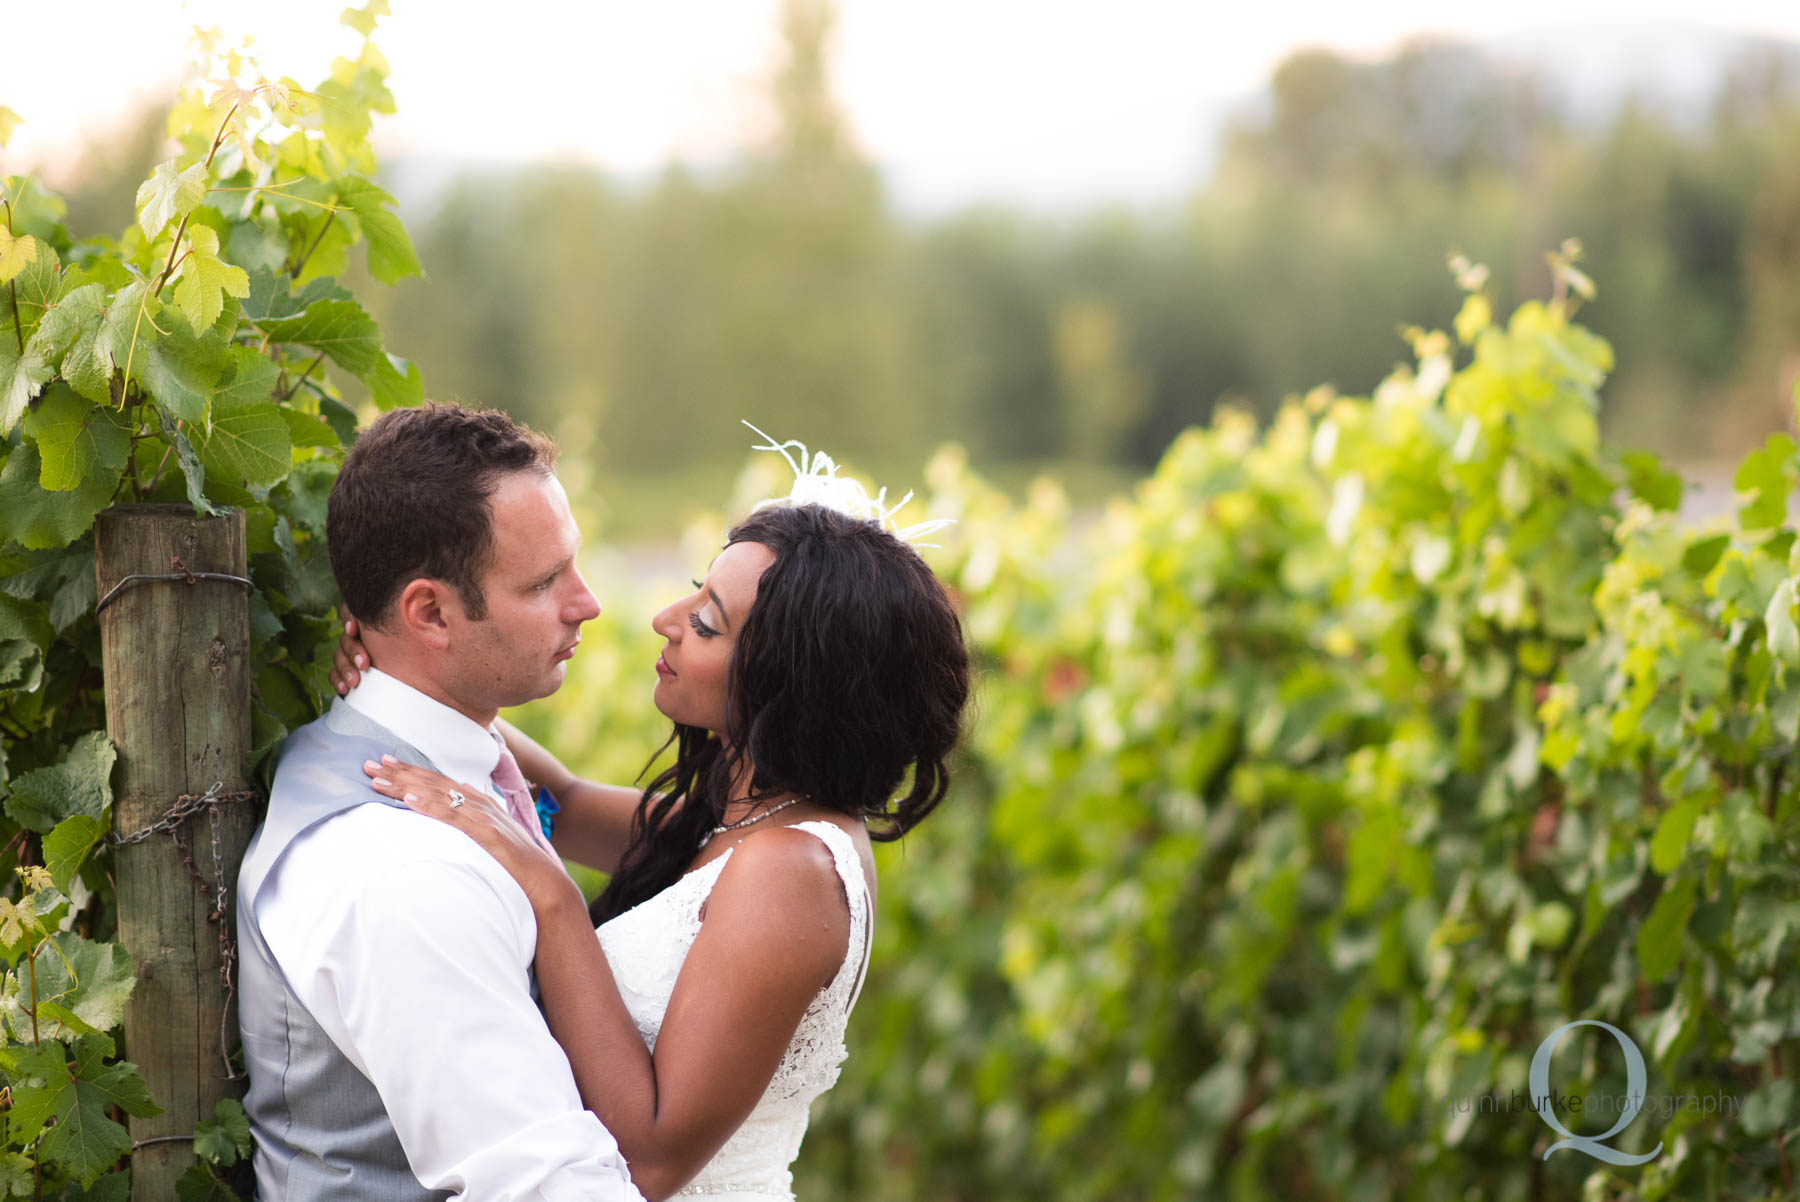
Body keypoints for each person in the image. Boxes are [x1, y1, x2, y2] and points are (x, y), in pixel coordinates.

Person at [330, 472, 972, 1201]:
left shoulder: (791, 870)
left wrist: (551, 897)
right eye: (697, 592)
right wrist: (403, 672)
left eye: (706, 623)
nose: (668, 618)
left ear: (786, 684)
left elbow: (655, 1161)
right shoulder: (739, 820)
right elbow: (562, 801)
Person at [235, 402, 641, 1201]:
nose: (586, 603)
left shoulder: (454, 766)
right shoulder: (400, 869)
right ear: (428, 613)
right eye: (543, 582)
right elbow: (542, 1182)